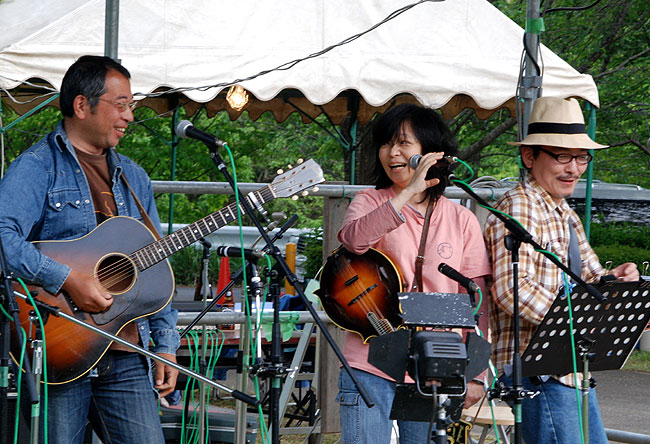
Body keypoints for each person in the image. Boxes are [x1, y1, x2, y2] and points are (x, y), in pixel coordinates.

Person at [0, 55, 180, 444]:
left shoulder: (134, 177)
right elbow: (2, 236)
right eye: (121, 104)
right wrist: (67, 279)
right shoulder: (37, 167)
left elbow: (157, 261)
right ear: (82, 105)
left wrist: (166, 346)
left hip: (127, 352)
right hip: (60, 348)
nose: (130, 116)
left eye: (132, 105)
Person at [484, 96, 639, 444]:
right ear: (529, 156)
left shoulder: (564, 211)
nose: (575, 168)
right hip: (537, 369)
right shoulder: (520, 206)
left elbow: (592, 278)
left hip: (569, 367)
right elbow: (512, 289)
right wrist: (577, 319)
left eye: (582, 157)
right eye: (562, 156)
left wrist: (616, 279)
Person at [335, 103, 491, 444]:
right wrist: (406, 192)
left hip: (434, 362)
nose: (392, 153)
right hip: (370, 356)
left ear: (431, 152)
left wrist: (476, 372)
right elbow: (353, 242)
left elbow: (476, 301)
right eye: (386, 144)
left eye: (403, 143)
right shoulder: (369, 201)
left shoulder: (461, 219)